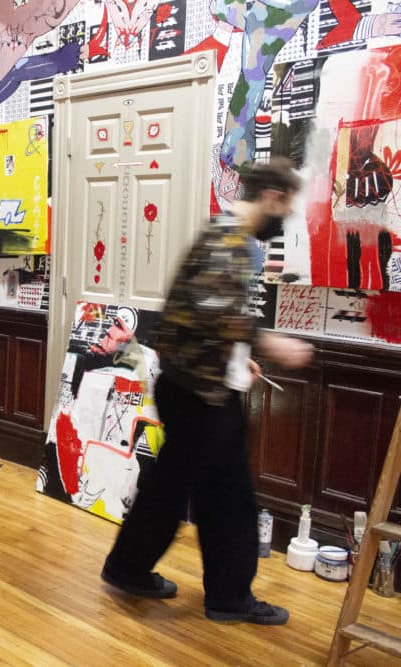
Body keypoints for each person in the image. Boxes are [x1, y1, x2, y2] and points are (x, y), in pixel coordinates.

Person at [101, 157, 313, 625]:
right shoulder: (228, 242)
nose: (284, 219)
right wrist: (268, 341)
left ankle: (128, 567)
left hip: (194, 385)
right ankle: (227, 597)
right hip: (200, 394)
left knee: (176, 486)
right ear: (273, 198)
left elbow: (201, 316)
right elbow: (213, 317)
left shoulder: (225, 235)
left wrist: (238, 354)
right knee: (229, 494)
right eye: (287, 209)